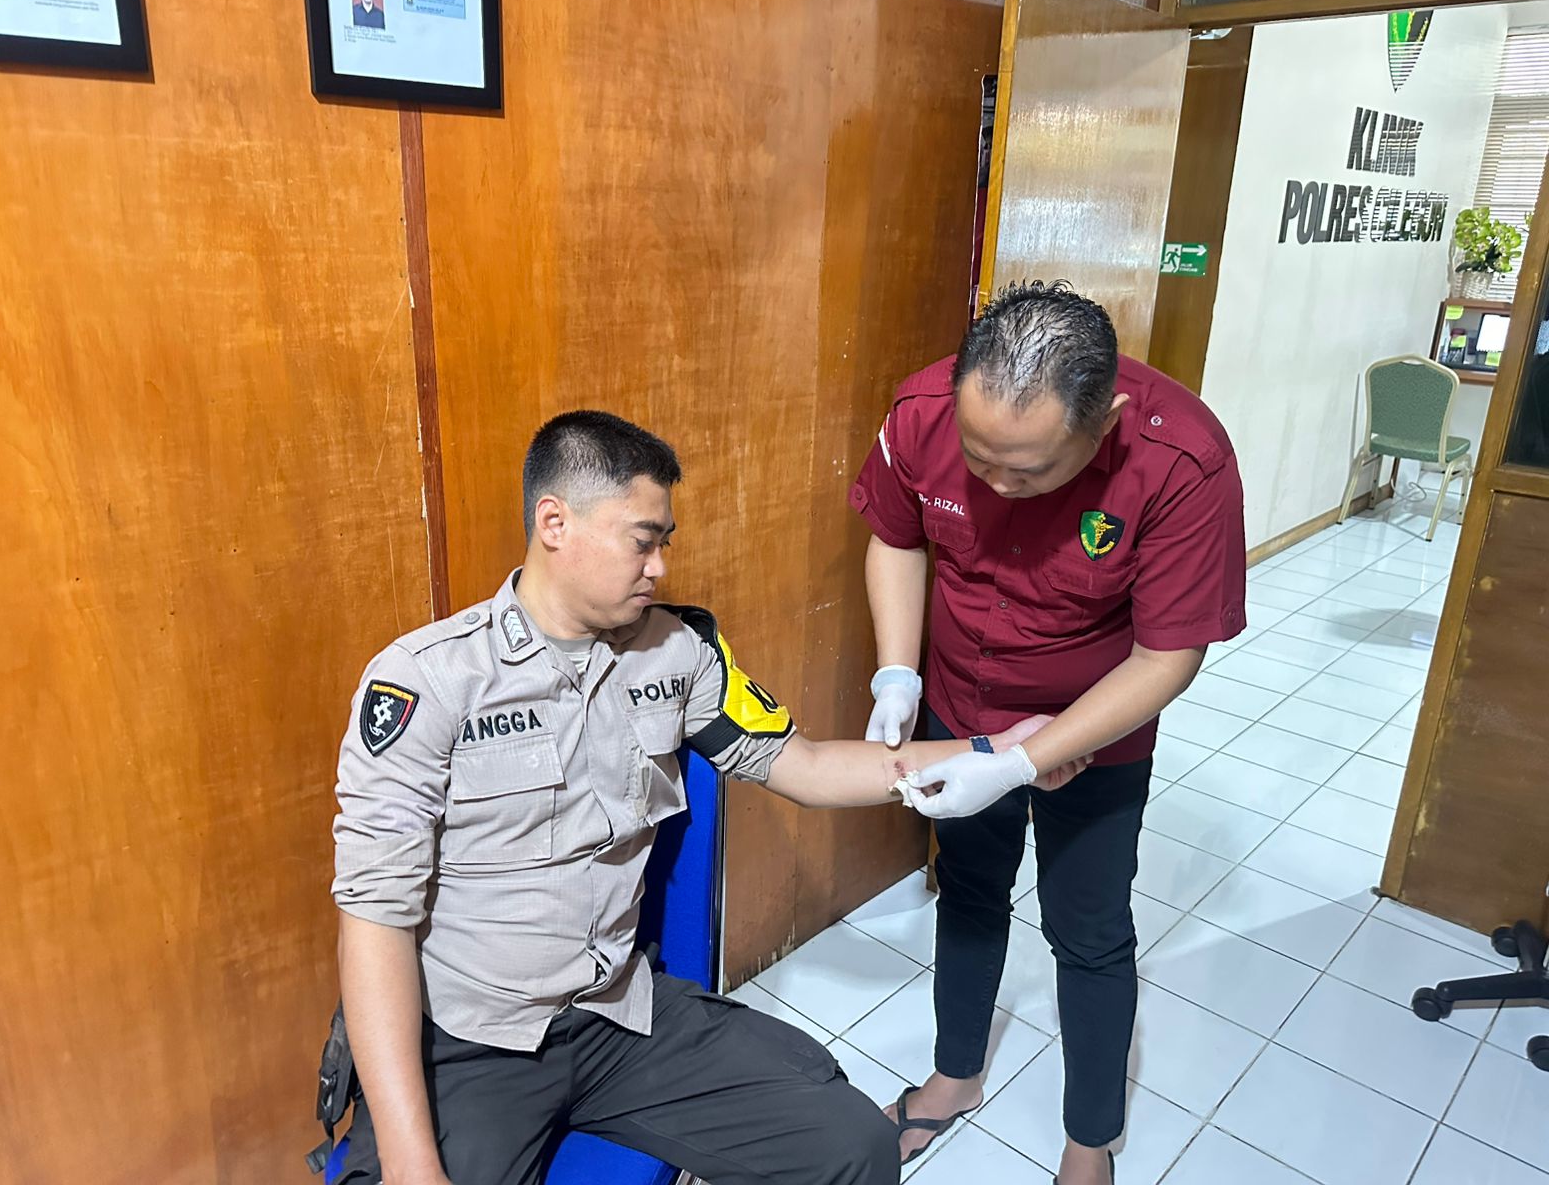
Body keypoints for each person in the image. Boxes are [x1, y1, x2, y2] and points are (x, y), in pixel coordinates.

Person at [331, 410, 1087, 1185]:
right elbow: (375, 919)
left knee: (854, 1146)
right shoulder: (429, 682)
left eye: (665, 542)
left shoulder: (677, 652)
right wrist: (413, 1164)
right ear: (555, 524)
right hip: (473, 1039)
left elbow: (807, 765)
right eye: (643, 541)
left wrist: (1004, 754)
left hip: (616, 1014)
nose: (659, 567)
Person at [852, 283, 1246, 1184]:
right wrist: (897, 673)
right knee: (969, 890)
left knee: (1090, 928)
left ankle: (1089, 1140)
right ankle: (954, 1077)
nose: (997, 485)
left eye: (1027, 471)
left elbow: (1168, 657)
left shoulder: (1183, 459)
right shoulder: (921, 412)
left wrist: (1033, 757)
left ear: (1104, 423)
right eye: (979, 459)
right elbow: (897, 538)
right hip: (961, 703)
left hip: (1100, 726)